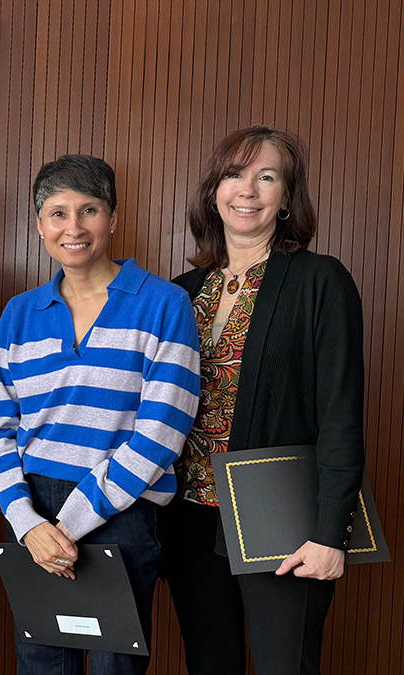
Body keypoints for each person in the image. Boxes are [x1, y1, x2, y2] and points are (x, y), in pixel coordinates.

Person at [0, 154, 200, 675]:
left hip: (121, 514)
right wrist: (26, 521)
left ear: (113, 218)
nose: (73, 228)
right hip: (32, 511)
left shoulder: (164, 304)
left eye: (89, 210)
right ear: (38, 226)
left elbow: (163, 432)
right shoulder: (20, 313)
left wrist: (74, 520)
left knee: (113, 670)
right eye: (57, 213)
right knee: (40, 667)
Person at [161, 126, 364, 675]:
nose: (246, 190)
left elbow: (341, 415)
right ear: (213, 191)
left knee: (285, 666)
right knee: (209, 664)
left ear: (287, 197)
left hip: (287, 521)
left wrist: (331, 536)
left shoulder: (321, 281)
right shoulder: (181, 291)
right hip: (191, 521)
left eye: (266, 177)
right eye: (233, 174)